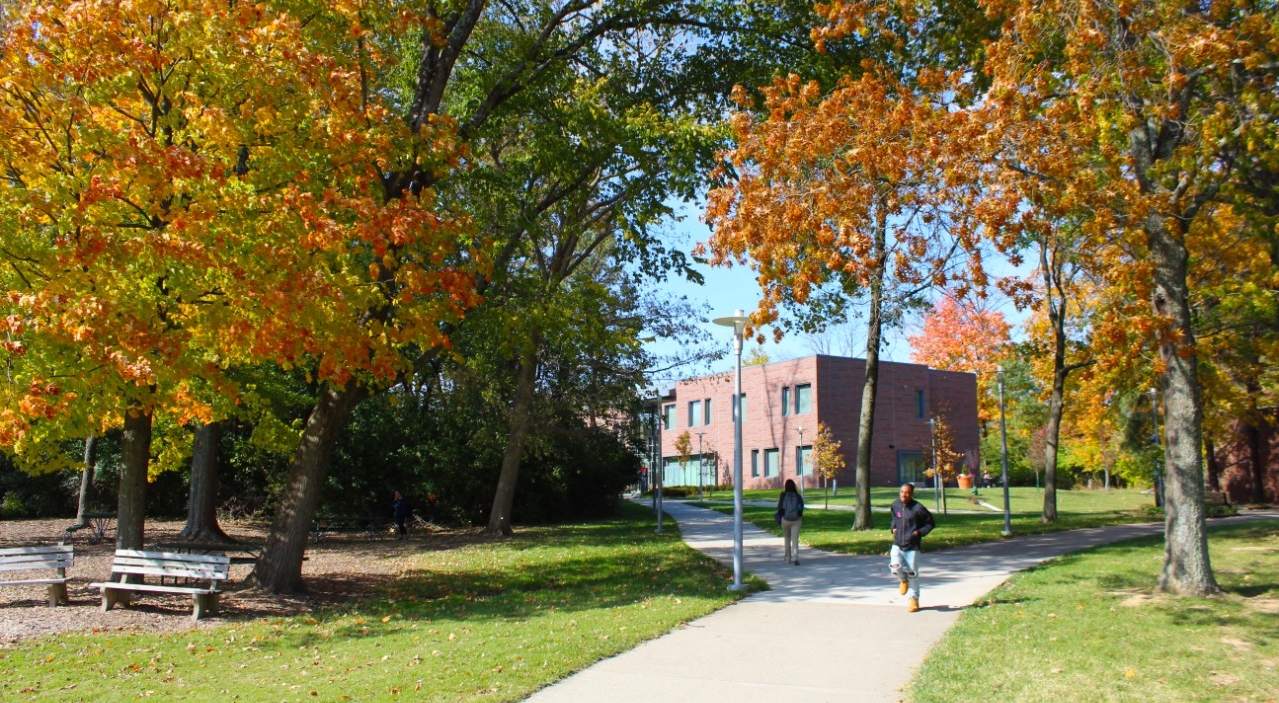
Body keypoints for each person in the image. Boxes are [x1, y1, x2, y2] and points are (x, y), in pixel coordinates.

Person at [890, 482, 935, 612]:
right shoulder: (895, 505)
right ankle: (903, 579)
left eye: (907, 493)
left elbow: (930, 523)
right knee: (895, 567)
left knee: (913, 574)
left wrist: (918, 533)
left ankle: (914, 600)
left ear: (912, 494)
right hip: (898, 544)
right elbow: (894, 517)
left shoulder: (918, 508)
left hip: (912, 546)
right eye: (902, 492)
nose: (904, 495)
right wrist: (893, 528)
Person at [775, 479, 805, 565]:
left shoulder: (783, 495)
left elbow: (780, 507)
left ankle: (787, 558)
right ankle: (795, 558)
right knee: (795, 539)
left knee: (787, 538)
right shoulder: (798, 496)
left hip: (785, 520)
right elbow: (801, 507)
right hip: (796, 520)